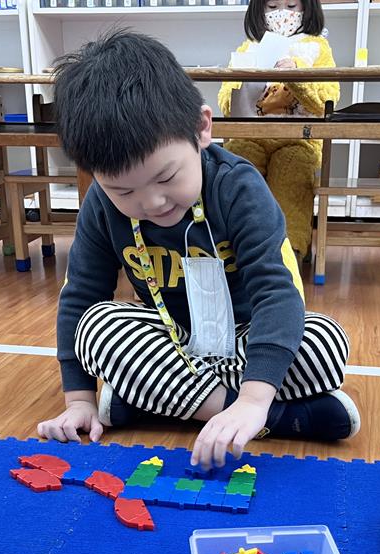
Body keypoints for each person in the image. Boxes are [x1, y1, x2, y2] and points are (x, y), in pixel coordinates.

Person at [35, 30, 359, 470]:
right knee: (97, 326)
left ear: (202, 128)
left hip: (245, 338)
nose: (152, 203)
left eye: (167, 177)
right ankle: (269, 417)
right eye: (123, 191)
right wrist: (79, 401)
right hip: (170, 342)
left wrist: (254, 397)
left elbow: (276, 293)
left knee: (325, 342)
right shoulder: (100, 204)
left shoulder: (238, 187)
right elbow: (81, 296)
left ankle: (153, 403)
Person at [218, 0, 339, 259]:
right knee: (236, 171)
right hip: (252, 134)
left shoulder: (317, 47)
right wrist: (240, 84)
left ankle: (288, 251)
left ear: (307, 8)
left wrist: (297, 76)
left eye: (291, 6)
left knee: (292, 176)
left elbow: (328, 99)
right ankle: (237, 245)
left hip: (299, 138)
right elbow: (225, 99)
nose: (282, 14)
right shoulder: (249, 47)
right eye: (272, 6)